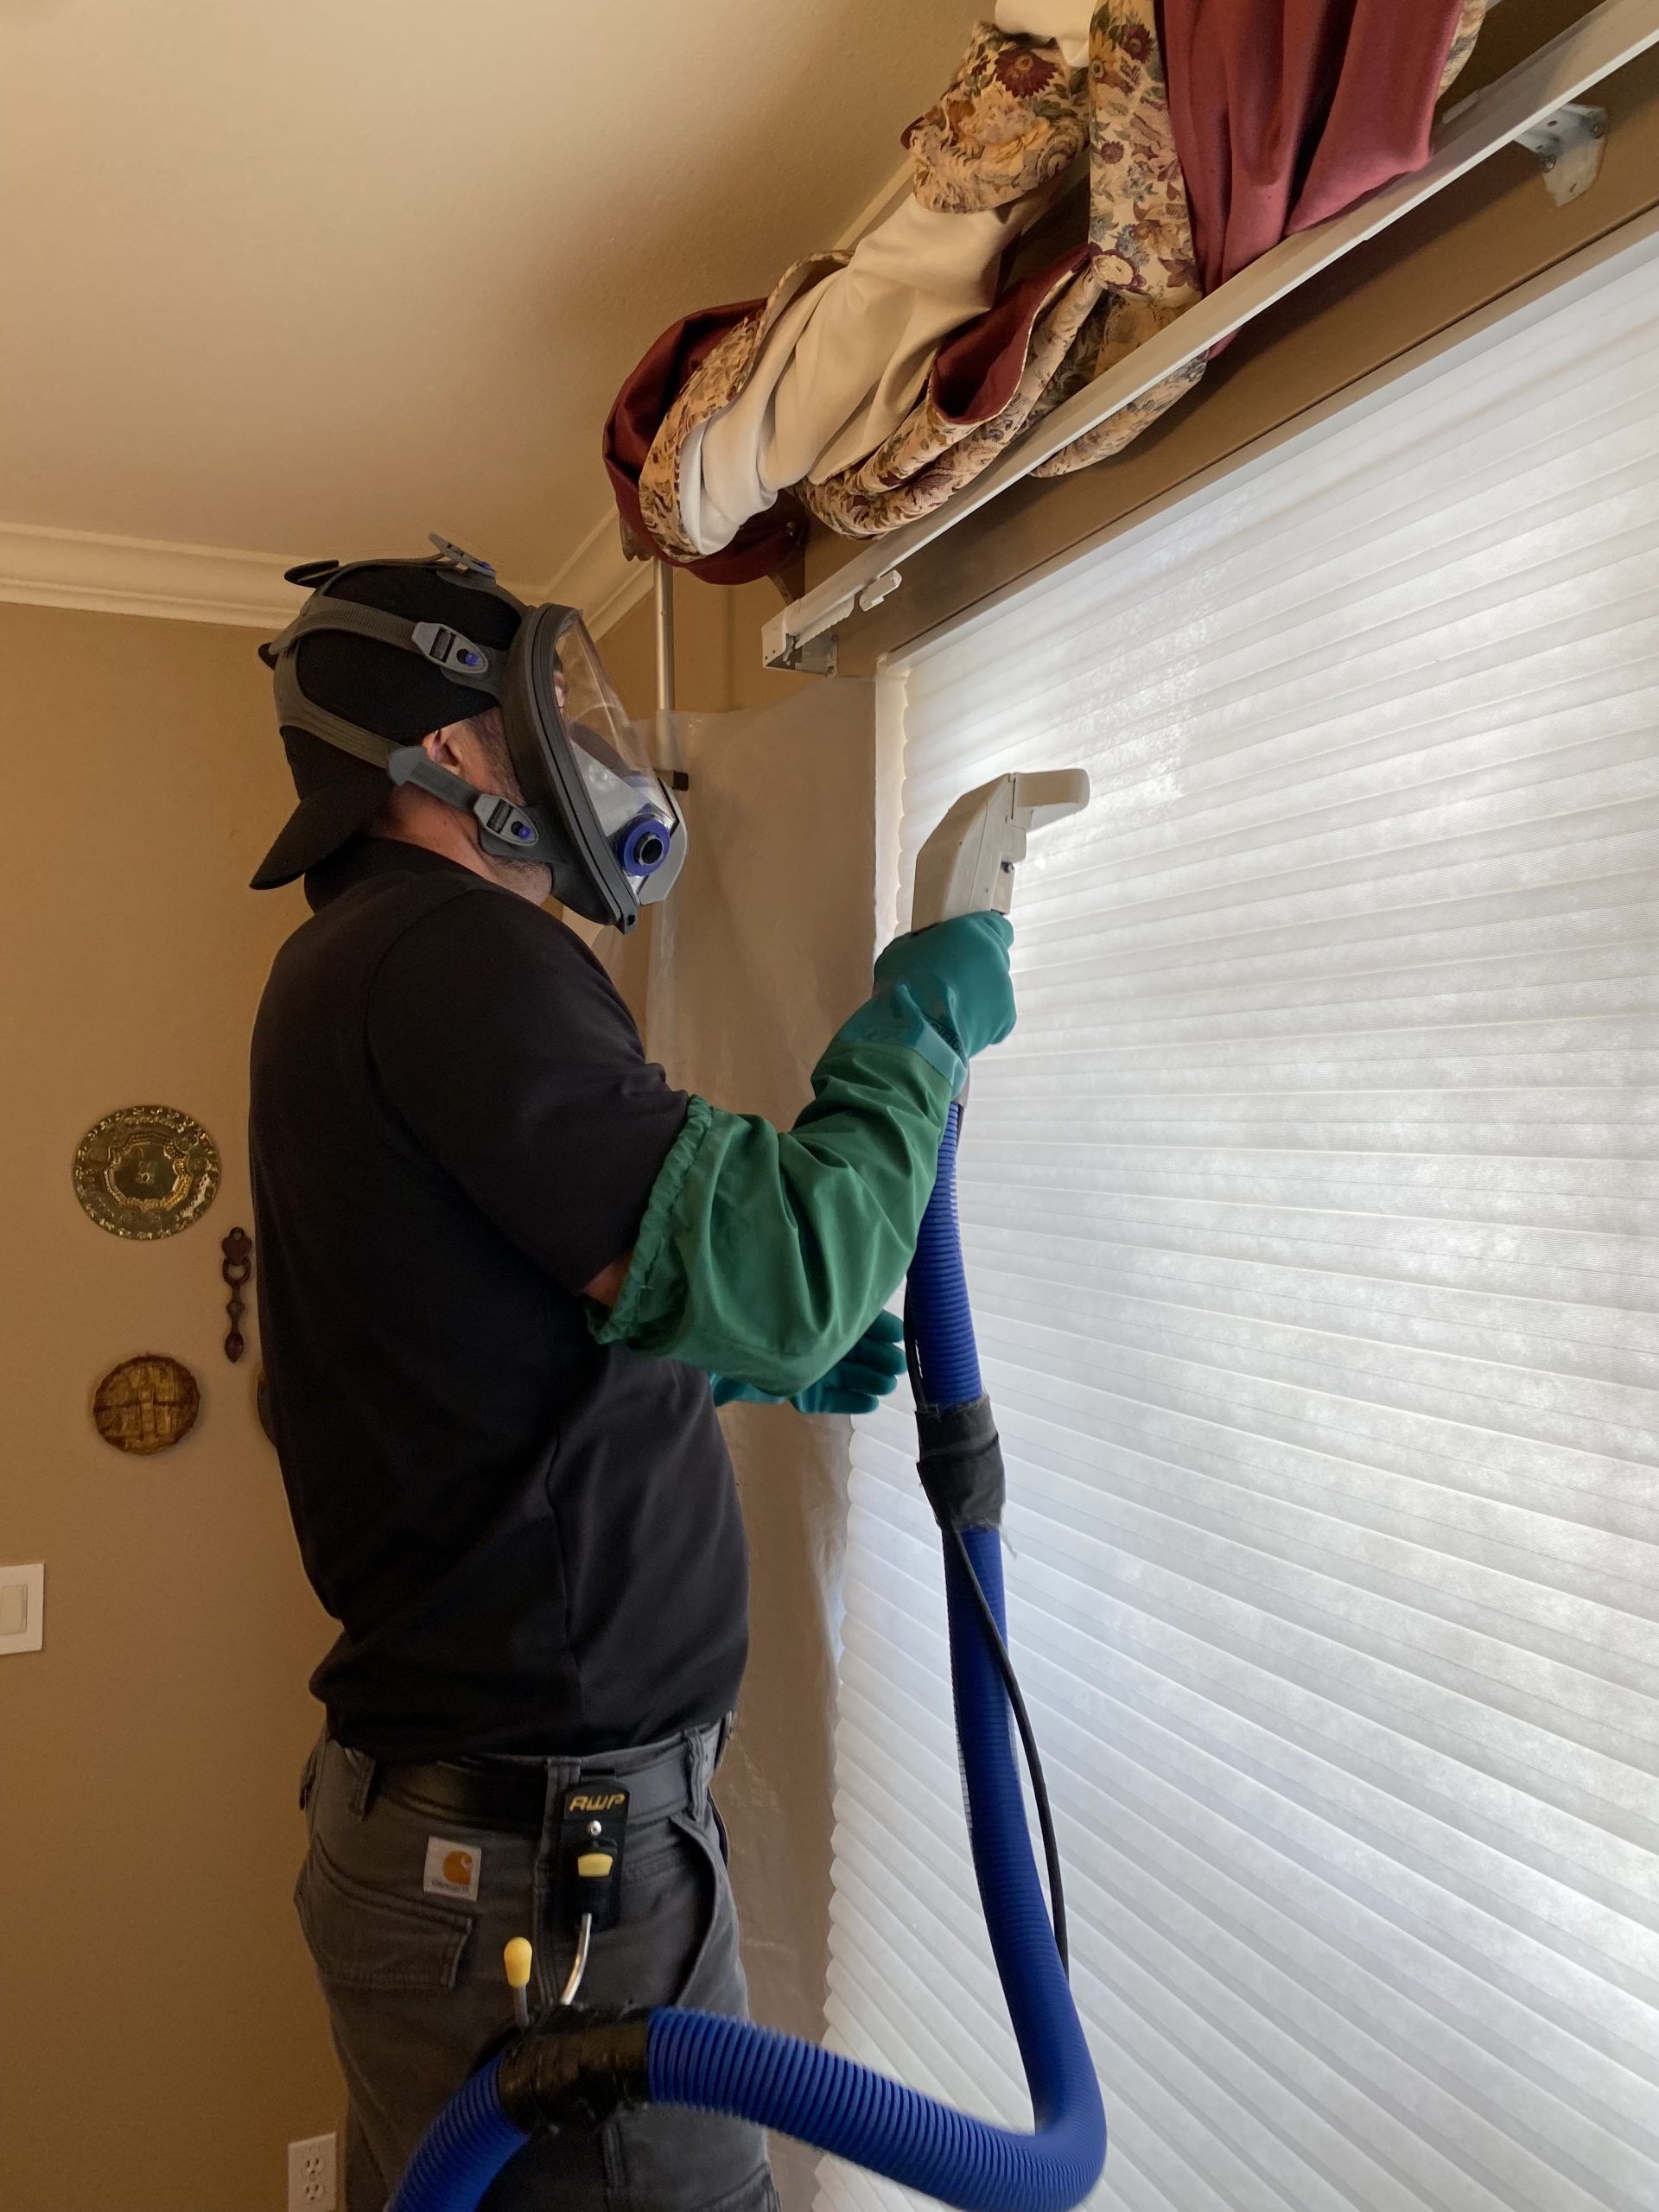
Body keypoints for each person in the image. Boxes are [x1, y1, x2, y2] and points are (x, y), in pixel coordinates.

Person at [247, 540, 1016, 2212]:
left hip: (469, 1854)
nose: (586, 754)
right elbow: (798, 1272)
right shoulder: (456, 958)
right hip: (541, 1880)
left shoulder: (343, 977)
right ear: (447, 752)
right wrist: (922, 1028)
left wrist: (715, 1380)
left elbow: (468, 1363)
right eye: (538, 714)